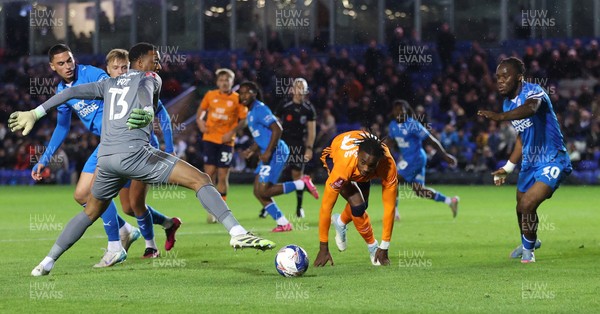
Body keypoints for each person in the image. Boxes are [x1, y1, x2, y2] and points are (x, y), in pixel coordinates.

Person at [9, 42, 275, 277]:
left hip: (107, 158)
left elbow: (69, 94)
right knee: (200, 179)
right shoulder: (150, 77)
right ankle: (237, 233)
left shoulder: (107, 82)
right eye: (154, 58)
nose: (158, 63)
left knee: (91, 209)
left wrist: (35, 112)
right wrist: (147, 113)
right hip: (135, 154)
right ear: (140, 63)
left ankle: (46, 262)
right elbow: (147, 92)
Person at [30, 44, 138, 267]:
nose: (68, 66)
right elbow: (62, 127)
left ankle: (115, 246)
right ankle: (125, 228)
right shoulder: (63, 92)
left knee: (99, 191)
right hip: (104, 143)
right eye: (61, 63)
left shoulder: (93, 74)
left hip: (118, 138)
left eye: (69, 60)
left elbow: (118, 90)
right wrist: (44, 159)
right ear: (52, 66)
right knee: (81, 195)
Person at [478, 57, 572, 263]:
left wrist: (498, 118)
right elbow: (522, 136)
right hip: (529, 162)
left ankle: (529, 253)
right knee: (520, 207)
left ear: (519, 77)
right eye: (497, 77)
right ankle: (529, 240)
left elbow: (531, 108)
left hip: (552, 159)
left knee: (528, 203)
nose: (500, 81)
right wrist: (508, 167)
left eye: (505, 76)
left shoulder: (534, 91)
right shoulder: (507, 104)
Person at [105, 48, 181, 258]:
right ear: (108, 70)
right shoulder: (109, 89)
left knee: (137, 204)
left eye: (124, 67)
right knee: (128, 207)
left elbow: (163, 117)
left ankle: (151, 246)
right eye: (116, 68)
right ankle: (169, 223)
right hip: (118, 152)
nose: (121, 71)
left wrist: (171, 148)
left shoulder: (142, 85)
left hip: (142, 151)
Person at [238, 81, 319, 232]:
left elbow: (277, 129)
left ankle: (301, 183)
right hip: (268, 152)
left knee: (265, 191)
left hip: (276, 152)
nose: (243, 95)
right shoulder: (250, 112)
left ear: (254, 94)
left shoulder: (260, 109)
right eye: (241, 92)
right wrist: (252, 149)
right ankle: (283, 223)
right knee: (257, 191)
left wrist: (268, 152)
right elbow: (262, 135)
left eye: (247, 92)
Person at [313, 130, 398, 267]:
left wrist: (385, 245)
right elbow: (326, 207)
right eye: (363, 162)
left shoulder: (388, 166)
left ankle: (340, 222)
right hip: (335, 155)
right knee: (358, 206)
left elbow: (389, 207)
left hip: (357, 161)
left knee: (363, 205)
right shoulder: (343, 167)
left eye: (371, 165)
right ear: (358, 154)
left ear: (379, 161)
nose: (365, 168)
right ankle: (372, 247)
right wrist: (323, 247)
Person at [387, 100, 459, 221]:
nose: (399, 112)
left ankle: (394, 213)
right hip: (408, 159)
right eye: (397, 109)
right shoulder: (392, 125)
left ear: (406, 111)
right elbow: (390, 141)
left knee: (393, 179)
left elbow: (430, 140)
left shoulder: (413, 124)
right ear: (393, 112)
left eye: (402, 109)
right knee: (419, 191)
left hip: (416, 159)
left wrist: (445, 155)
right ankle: (450, 201)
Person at [196, 68, 247, 224]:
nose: (224, 83)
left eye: (227, 80)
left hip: (226, 142)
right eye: (222, 80)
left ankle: (222, 210)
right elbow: (201, 111)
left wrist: (232, 132)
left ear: (232, 82)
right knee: (209, 174)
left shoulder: (238, 99)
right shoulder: (210, 95)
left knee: (223, 175)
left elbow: (243, 120)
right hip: (210, 138)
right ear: (218, 82)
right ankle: (211, 210)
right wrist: (200, 122)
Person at [274, 78, 317, 218]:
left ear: (306, 91)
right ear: (292, 89)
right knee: (274, 175)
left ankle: (299, 208)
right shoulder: (284, 105)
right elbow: (274, 124)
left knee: (297, 176)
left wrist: (309, 148)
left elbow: (311, 131)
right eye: (297, 87)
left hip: (298, 144)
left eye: (302, 88)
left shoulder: (309, 109)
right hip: (282, 143)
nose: (299, 91)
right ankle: (267, 206)